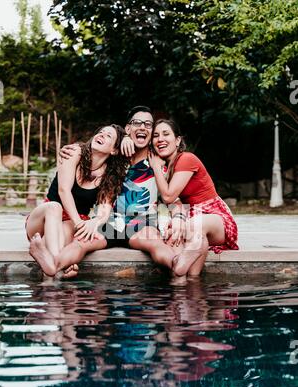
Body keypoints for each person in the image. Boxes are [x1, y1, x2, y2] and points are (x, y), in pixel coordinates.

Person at [59, 106, 185, 273]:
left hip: (142, 223)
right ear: (127, 129)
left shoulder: (157, 164)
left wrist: (179, 217)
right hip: (107, 222)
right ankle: (54, 266)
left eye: (148, 124)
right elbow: (93, 150)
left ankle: (178, 268)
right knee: (80, 242)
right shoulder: (113, 158)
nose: (142, 127)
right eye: (137, 123)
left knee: (154, 242)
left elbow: (173, 198)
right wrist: (74, 149)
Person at [26, 124, 127, 277]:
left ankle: (51, 268)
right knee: (55, 207)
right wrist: (80, 224)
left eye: (108, 136)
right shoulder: (74, 153)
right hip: (44, 218)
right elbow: (63, 191)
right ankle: (57, 266)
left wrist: (95, 221)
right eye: (100, 132)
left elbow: (105, 209)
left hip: (69, 224)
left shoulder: (110, 176)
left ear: (114, 150)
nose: (101, 135)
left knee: (55, 246)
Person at [148, 119, 239, 277]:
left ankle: (181, 268)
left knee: (193, 226)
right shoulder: (165, 168)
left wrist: (155, 167)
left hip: (215, 217)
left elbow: (169, 196)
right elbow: (173, 203)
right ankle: (189, 285)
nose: (160, 139)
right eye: (156, 135)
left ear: (177, 140)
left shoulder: (186, 159)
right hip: (190, 219)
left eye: (165, 134)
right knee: (178, 240)